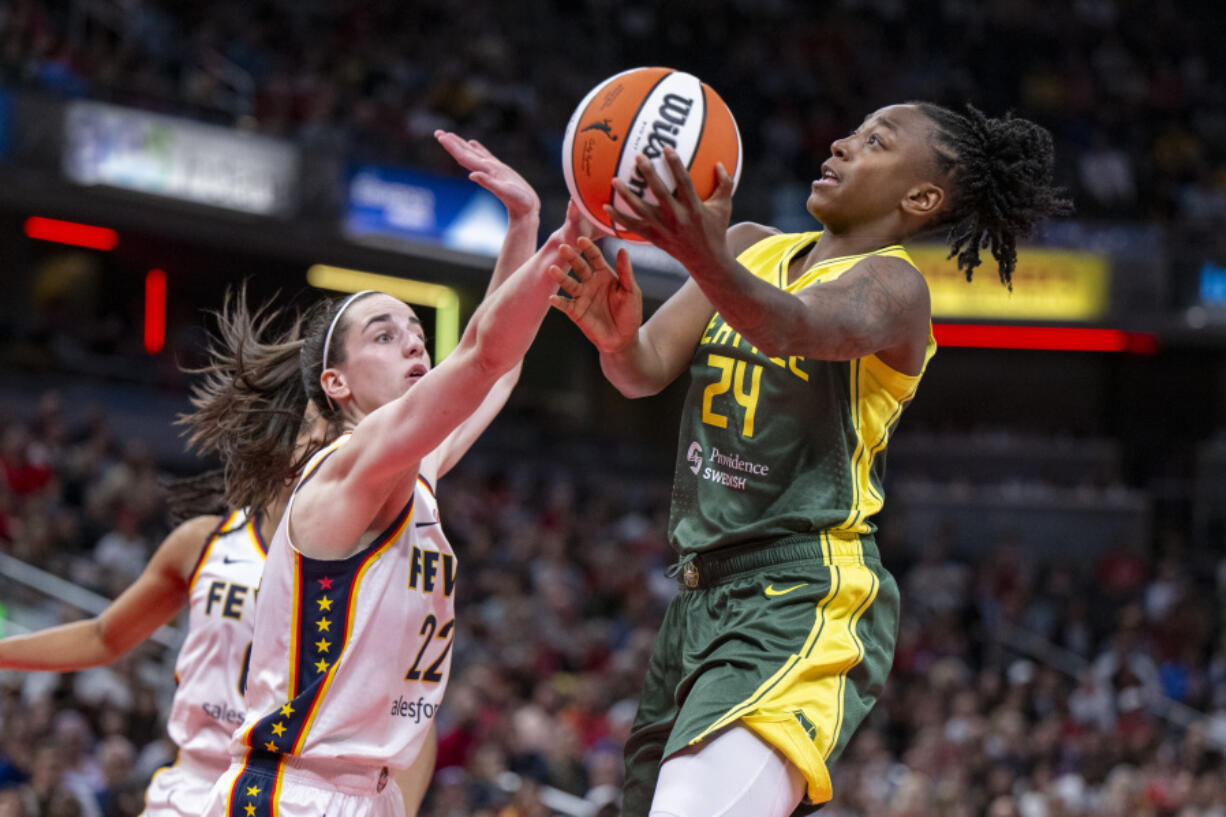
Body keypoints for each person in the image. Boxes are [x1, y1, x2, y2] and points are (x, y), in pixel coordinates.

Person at [549, 102, 1071, 816]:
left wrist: (702, 256)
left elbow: (791, 325)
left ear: (919, 197)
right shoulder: (749, 244)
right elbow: (643, 370)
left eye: (875, 142)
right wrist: (614, 339)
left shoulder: (895, 289)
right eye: (852, 131)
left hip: (801, 593)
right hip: (700, 594)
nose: (840, 143)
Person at [199, 131, 595, 817]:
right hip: (293, 793)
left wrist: (524, 225)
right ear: (338, 382)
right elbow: (479, 355)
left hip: (365, 794)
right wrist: (560, 241)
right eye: (385, 334)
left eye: (416, 329)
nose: (414, 340)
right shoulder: (346, 467)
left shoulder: (415, 471)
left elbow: (496, 370)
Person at [0, 372, 326, 817]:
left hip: (290, 791)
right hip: (194, 783)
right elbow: (103, 636)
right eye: (306, 428)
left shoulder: (351, 569)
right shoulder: (203, 542)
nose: (318, 444)